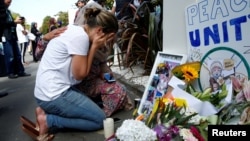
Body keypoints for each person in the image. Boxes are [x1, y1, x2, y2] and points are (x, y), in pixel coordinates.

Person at [33, 7, 118, 140]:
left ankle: (43, 111)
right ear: (100, 31)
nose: (107, 42)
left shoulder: (75, 30)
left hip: (45, 92)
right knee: (99, 120)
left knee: (91, 108)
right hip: (53, 94)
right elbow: (80, 75)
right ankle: (48, 120)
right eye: (109, 37)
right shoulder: (81, 38)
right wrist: (94, 46)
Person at [0, 0, 31, 79]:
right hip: (6, 35)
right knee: (10, 55)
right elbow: (3, 23)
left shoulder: (8, 11)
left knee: (17, 54)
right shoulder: (1, 11)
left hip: (13, 34)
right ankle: (10, 72)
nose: (10, 3)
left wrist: (16, 21)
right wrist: (14, 22)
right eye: (8, 1)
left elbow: (10, 22)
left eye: (10, 2)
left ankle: (20, 71)